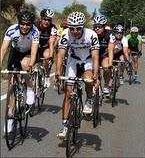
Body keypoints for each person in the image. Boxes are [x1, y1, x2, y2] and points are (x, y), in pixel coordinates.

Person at [56, 11, 99, 139]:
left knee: (88, 79)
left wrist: (95, 74)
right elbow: (61, 53)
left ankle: (89, 100)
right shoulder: (65, 34)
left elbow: (96, 56)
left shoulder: (91, 35)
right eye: (72, 28)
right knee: (68, 92)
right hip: (73, 60)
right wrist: (58, 72)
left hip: (88, 60)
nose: (75, 31)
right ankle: (64, 126)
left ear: (83, 27)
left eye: (78, 28)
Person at [0, 9, 39, 132]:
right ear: (19, 22)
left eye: (28, 24)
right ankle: (10, 116)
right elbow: (3, 50)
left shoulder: (35, 32)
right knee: (11, 83)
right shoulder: (12, 30)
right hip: (15, 52)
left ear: (31, 24)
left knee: (24, 64)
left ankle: (29, 88)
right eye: (22, 23)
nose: (25, 26)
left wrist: (31, 66)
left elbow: (33, 52)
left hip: (28, 53)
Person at [93, 14, 116, 94]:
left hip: (104, 55)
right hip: (93, 55)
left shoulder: (109, 34)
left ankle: (106, 84)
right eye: (95, 26)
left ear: (104, 26)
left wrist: (110, 64)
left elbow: (110, 50)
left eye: (99, 26)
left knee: (106, 68)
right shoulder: (92, 34)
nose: (97, 28)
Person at [36, 8, 57, 87]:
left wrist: (51, 57)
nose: (47, 22)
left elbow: (51, 43)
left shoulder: (53, 28)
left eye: (49, 20)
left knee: (47, 57)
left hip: (46, 47)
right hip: (35, 46)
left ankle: (47, 76)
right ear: (41, 18)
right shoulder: (35, 25)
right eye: (45, 19)